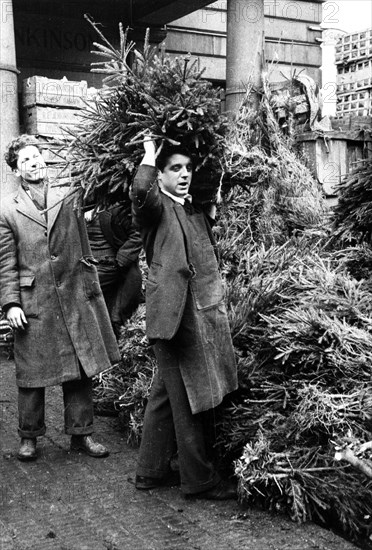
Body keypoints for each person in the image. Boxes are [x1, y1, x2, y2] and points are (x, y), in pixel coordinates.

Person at [0, 134, 121, 461]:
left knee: (79, 368)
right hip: (34, 301)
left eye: (37, 156)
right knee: (31, 372)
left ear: (45, 158)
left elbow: (101, 191)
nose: (34, 163)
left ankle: (82, 436)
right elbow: (6, 262)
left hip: (71, 294)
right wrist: (10, 303)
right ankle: (29, 437)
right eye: (25, 160)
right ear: (16, 169)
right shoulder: (6, 210)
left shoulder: (69, 194)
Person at [130, 138, 238, 499]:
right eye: (175, 168)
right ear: (159, 175)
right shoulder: (154, 208)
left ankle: (150, 471)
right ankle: (199, 480)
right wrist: (148, 151)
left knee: (165, 394)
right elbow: (141, 190)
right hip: (172, 318)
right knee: (188, 398)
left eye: (188, 168)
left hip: (192, 314)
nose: (184, 174)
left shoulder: (188, 209)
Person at [85, 203, 143, 339]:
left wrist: (121, 259)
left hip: (110, 266)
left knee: (83, 296)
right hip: (88, 266)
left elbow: (137, 234)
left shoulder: (115, 209)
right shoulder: (76, 210)